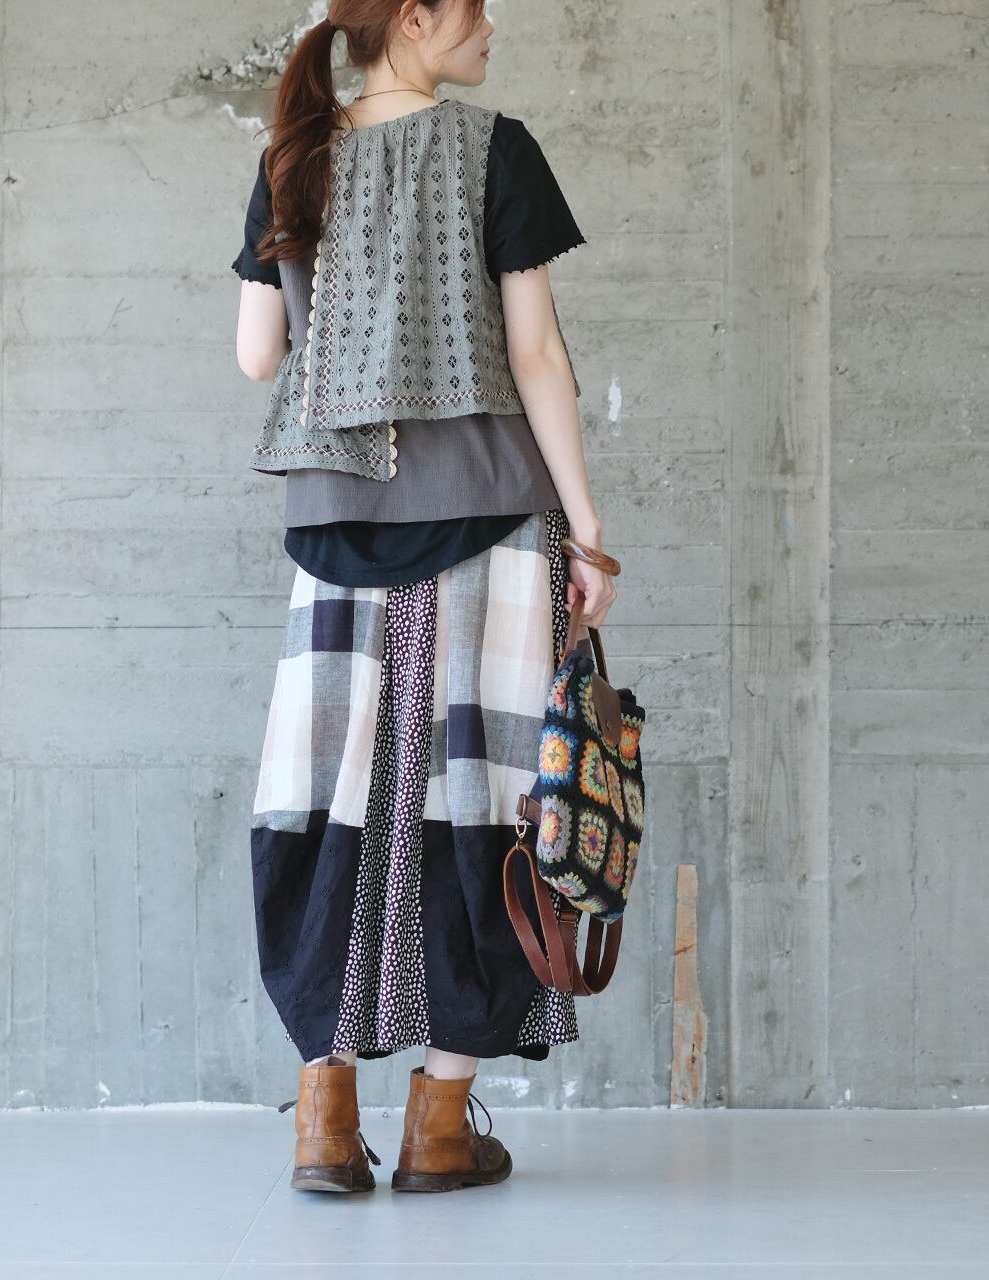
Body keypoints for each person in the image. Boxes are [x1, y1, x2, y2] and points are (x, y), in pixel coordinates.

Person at [231, 0, 618, 1194]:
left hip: (335, 521)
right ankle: (439, 1128)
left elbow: (256, 355)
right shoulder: (495, 149)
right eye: (473, 5)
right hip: (488, 518)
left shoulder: (293, 152)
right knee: (483, 808)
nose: (490, 24)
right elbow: (535, 354)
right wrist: (589, 530)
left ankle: (323, 1119)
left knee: (327, 804)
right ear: (411, 16)